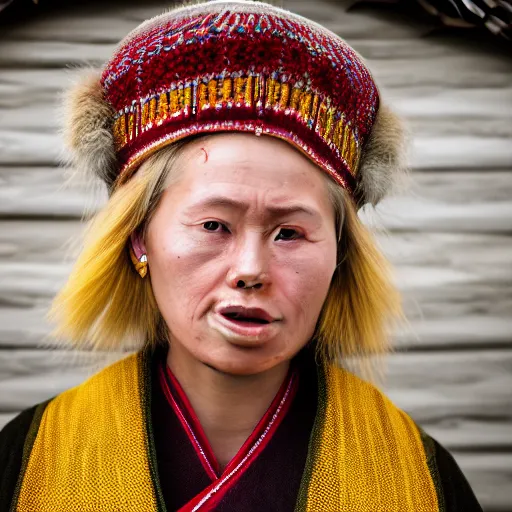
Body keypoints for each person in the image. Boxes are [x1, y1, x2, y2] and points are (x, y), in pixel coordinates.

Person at [0, 1, 482, 510]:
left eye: (289, 233)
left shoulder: (420, 479)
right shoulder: (30, 459)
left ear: (340, 254)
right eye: (213, 226)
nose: (250, 270)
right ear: (139, 239)